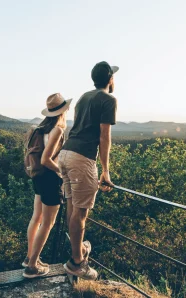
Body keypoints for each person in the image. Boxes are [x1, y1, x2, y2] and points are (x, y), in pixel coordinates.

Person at [60, 61, 119, 280]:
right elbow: (104, 136)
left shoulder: (84, 97)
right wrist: (106, 170)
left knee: (72, 207)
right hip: (82, 158)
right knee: (81, 212)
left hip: (65, 154)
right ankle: (77, 263)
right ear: (110, 79)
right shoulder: (109, 100)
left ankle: (78, 252)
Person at [23, 93, 72, 278]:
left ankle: (30, 258)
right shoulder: (58, 130)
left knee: (36, 217)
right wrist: (62, 172)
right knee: (48, 223)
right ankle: (32, 267)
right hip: (50, 179)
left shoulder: (40, 128)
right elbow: (46, 159)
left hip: (38, 178)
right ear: (63, 111)